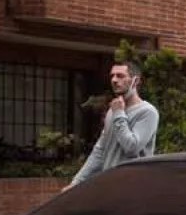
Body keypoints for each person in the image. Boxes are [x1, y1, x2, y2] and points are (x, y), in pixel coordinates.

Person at [65, 61, 160, 191]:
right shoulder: (113, 111)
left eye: (120, 76)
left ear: (135, 81)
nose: (114, 80)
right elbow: (100, 150)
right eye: (112, 76)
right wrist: (76, 182)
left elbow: (132, 147)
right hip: (110, 184)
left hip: (134, 188)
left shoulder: (147, 112)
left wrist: (119, 113)